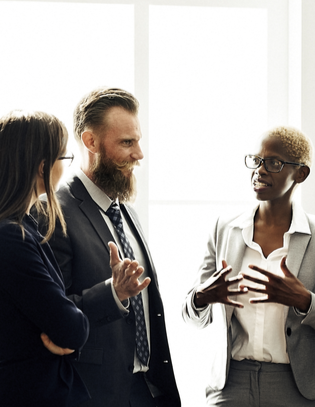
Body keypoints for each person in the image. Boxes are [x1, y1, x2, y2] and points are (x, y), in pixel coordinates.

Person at [180, 126, 315, 406]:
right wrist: (202, 297)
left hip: (297, 386)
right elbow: (191, 316)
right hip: (230, 383)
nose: (259, 170)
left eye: (273, 163)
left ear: (301, 173)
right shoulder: (224, 228)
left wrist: (304, 300)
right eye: (256, 160)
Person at [50, 88, 182, 407]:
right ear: (91, 142)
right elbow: (51, 317)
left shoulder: (126, 212)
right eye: (127, 142)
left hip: (149, 390)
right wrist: (112, 293)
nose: (139, 154)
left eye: (137, 141)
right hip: (96, 394)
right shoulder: (53, 213)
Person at [0, 110, 114, 406]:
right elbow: (72, 328)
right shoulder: (13, 237)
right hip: (33, 392)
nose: (66, 169)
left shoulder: (23, 227)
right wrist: (66, 330)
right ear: (41, 167)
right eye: (64, 159)